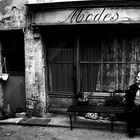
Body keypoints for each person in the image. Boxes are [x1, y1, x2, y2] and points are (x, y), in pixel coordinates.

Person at [125, 72, 140, 137]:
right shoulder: (132, 87)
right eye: (137, 76)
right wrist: (132, 104)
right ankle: (131, 130)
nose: (137, 78)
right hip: (133, 106)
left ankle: (132, 129)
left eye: (139, 77)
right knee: (132, 111)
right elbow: (128, 98)